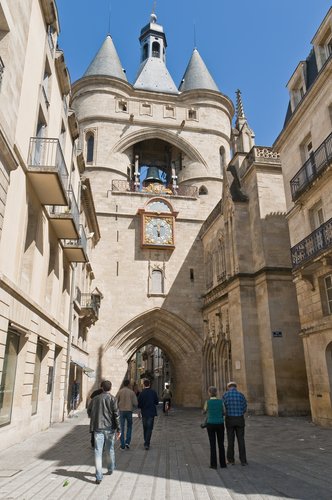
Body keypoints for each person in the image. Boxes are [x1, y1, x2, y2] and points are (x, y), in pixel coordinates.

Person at [87, 380, 121, 484]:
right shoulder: (113, 399)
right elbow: (116, 414)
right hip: (110, 428)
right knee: (110, 449)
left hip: (98, 428)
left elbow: (89, 410)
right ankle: (110, 468)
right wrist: (119, 429)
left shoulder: (96, 399)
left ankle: (98, 476)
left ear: (102, 388)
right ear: (110, 388)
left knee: (98, 451)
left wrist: (94, 416)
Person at [223, 381, 248, 466]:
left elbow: (223, 408)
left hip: (230, 419)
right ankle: (243, 461)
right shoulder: (241, 395)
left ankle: (231, 460)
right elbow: (245, 407)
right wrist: (240, 412)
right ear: (236, 387)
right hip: (240, 419)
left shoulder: (225, 395)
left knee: (230, 440)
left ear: (228, 387)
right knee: (241, 440)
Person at [203, 386, 226, 469]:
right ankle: (223, 464)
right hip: (220, 424)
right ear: (216, 393)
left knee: (212, 444)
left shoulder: (207, 402)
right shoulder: (221, 402)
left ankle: (213, 464)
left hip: (210, 424)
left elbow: (204, 411)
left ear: (209, 393)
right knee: (221, 444)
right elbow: (224, 412)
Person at [137, 379, 159, 450]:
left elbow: (139, 404)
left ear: (144, 385)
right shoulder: (153, 392)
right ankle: (147, 443)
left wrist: (139, 412)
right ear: (149, 384)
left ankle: (146, 441)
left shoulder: (141, 393)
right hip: (151, 413)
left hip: (144, 413)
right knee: (150, 428)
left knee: (145, 427)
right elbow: (156, 402)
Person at [116, 379, 138, 450]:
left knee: (121, 427)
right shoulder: (131, 392)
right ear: (129, 385)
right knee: (129, 427)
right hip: (129, 411)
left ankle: (122, 444)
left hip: (121, 411)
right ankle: (127, 442)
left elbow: (115, 402)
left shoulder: (120, 392)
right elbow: (136, 403)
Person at [89, 382, 103, 448]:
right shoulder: (105, 394)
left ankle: (93, 443)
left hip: (94, 413)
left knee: (94, 429)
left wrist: (90, 414)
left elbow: (91, 401)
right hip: (102, 414)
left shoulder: (95, 392)